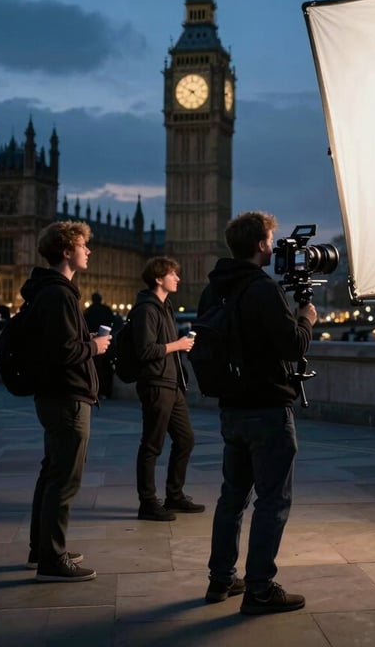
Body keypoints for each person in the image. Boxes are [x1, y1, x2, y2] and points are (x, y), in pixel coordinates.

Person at [202, 211, 317, 615]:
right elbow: (292, 347)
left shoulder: (214, 289)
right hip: (267, 409)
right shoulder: (263, 288)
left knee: (231, 497)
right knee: (272, 501)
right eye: (271, 239)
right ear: (260, 244)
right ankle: (261, 589)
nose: (274, 245)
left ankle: (220, 579)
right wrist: (306, 318)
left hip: (230, 409)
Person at [21, 221, 112, 582]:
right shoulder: (60, 294)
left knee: (51, 474)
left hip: (55, 396)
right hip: (68, 398)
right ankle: (52, 560)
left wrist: (82, 339)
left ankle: (42, 548)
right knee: (64, 480)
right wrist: (95, 346)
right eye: (83, 246)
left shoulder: (52, 291)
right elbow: (63, 352)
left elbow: (58, 344)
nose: (88, 251)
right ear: (66, 250)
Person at [132, 256, 203, 521]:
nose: (178, 278)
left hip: (172, 384)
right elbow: (145, 350)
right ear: (159, 278)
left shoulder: (165, 306)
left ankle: (174, 495)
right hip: (155, 384)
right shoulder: (146, 310)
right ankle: (147, 502)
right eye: (173, 274)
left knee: (186, 440)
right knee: (152, 445)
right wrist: (179, 345)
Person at [84, 292, 116, 399]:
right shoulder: (106, 310)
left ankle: (96, 391)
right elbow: (113, 323)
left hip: (93, 342)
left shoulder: (89, 311)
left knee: (95, 368)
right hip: (106, 341)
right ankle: (107, 391)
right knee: (107, 368)